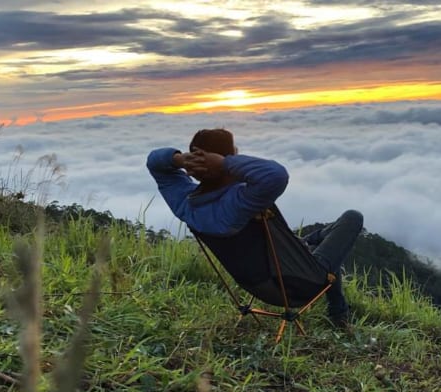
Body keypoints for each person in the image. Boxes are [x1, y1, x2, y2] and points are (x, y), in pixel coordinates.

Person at [147, 128, 363, 326]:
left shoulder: (185, 203)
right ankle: (339, 313)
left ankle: (309, 244)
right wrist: (225, 163)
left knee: (312, 244)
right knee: (352, 218)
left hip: (258, 285)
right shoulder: (240, 202)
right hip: (298, 286)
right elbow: (276, 175)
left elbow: (154, 163)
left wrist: (179, 160)